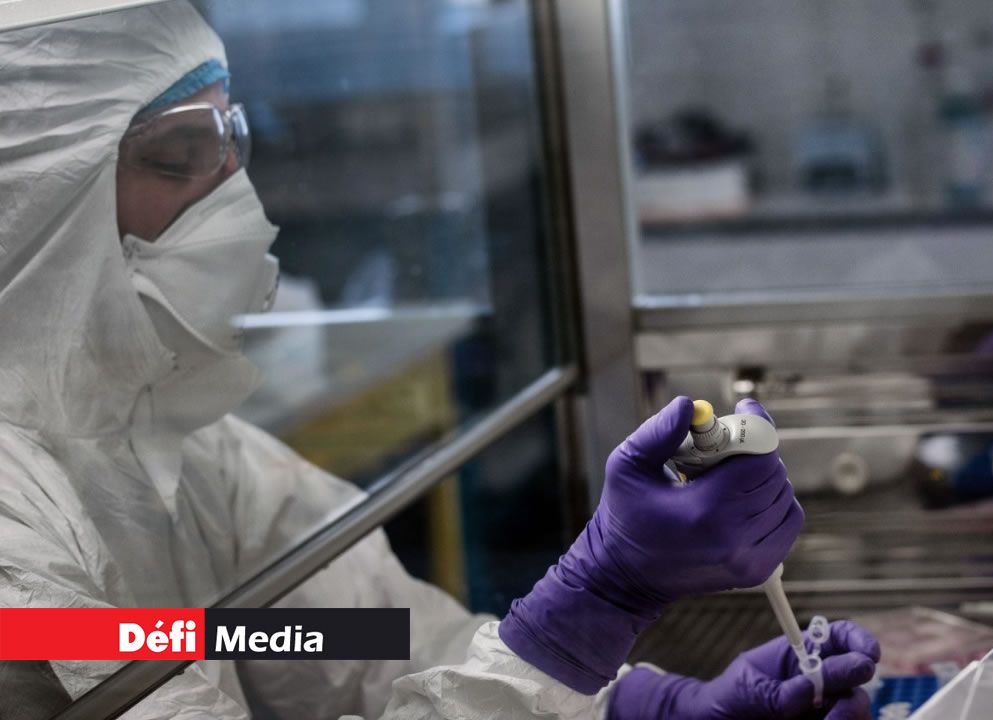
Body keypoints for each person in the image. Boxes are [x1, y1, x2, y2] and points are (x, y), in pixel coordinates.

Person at [0, 3, 879, 719]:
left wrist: (637, 704)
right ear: (35, 202)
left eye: (236, 144)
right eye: (180, 157)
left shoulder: (171, 442)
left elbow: (369, 645)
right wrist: (592, 608)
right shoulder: (16, 546)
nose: (238, 200)